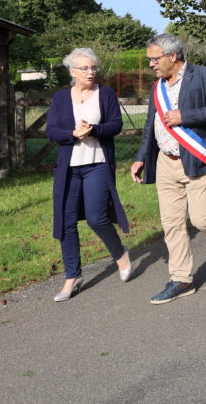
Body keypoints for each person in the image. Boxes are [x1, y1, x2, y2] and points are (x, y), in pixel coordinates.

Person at [131, 33, 206, 305]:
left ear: (172, 56)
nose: (151, 66)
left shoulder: (203, 75)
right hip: (165, 163)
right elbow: (150, 123)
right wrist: (141, 157)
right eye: (149, 61)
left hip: (195, 158)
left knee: (202, 219)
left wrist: (185, 116)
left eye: (154, 60)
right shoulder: (157, 86)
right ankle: (182, 279)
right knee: (171, 224)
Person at [45, 47, 131, 302]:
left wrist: (93, 129)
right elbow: (51, 131)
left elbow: (116, 125)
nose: (91, 72)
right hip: (69, 169)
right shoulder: (61, 98)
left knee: (96, 217)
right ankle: (73, 276)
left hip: (97, 166)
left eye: (93, 67)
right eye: (85, 68)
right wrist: (72, 134)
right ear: (72, 71)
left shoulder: (105, 94)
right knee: (66, 222)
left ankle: (120, 254)